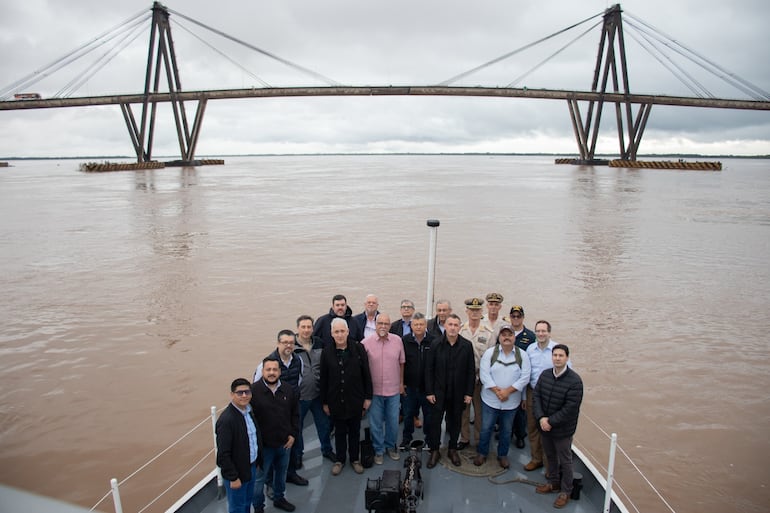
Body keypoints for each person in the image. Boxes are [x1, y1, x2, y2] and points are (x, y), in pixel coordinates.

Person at [253, 330, 308, 487]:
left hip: (290, 410)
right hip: (269, 415)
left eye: (291, 342)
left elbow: (299, 381)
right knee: (269, 453)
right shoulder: (266, 365)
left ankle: (290, 473)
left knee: (292, 442)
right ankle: (270, 484)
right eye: (285, 342)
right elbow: (256, 389)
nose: (288, 345)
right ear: (278, 344)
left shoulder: (298, 361)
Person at [320, 318, 373, 476]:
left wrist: (367, 397)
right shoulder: (327, 352)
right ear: (331, 333)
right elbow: (323, 378)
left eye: (342, 331)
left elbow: (366, 374)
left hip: (355, 399)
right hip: (336, 400)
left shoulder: (358, 348)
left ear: (348, 331)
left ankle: (355, 459)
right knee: (340, 431)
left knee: (355, 431)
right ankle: (340, 460)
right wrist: (324, 402)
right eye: (336, 331)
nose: (340, 334)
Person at [533, 344, 583, 509]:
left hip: (562, 430)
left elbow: (570, 408)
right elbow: (537, 396)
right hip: (544, 426)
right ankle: (553, 483)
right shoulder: (545, 375)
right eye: (555, 355)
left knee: (565, 460)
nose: (557, 358)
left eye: (561, 355)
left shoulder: (575, 381)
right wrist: (541, 418)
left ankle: (566, 491)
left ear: (567, 358)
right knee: (550, 456)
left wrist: (550, 421)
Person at [475, 324, 531, 469]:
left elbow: (525, 377)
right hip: (490, 400)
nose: (506, 337)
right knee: (486, 428)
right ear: (499, 337)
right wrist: (497, 391)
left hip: (511, 402)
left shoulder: (522, 355)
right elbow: (484, 374)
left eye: (510, 335)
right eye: (503, 335)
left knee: (506, 430)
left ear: (514, 337)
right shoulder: (490, 353)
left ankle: (502, 455)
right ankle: (482, 453)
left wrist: (508, 391)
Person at [424, 313, 475, 469]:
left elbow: (470, 371)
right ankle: (434, 450)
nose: (453, 328)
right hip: (439, 393)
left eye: (455, 325)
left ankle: (452, 449)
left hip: (458, 393)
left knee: (455, 423)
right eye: (450, 324)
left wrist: (468, 393)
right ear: (445, 326)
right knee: (435, 423)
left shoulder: (466, 346)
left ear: (459, 327)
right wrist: (430, 391)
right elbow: (429, 370)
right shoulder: (435, 344)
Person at [250, 357, 300, 512]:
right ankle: (258, 507)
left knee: (281, 474)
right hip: (263, 448)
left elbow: (295, 414)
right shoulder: (253, 392)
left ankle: (279, 498)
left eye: (275, 369)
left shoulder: (287, 389)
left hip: (284, 443)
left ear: (279, 371)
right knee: (259, 481)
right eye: (268, 370)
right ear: (262, 371)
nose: (272, 373)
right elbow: (249, 421)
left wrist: (292, 435)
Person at [361, 313, 405, 463]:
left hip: (393, 391)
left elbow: (401, 363)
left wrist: (400, 384)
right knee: (375, 423)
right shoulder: (365, 343)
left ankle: (391, 446)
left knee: (393, 421)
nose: (383, 326)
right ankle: (378, 449)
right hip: (374, 391)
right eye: (380, 323)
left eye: (386, 324)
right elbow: (361, 368)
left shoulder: (398, 341)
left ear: (390, 326)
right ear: (375, 325)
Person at [294, 315, 335, 468]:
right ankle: (298, 455)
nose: (306, 330)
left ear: (313, 328)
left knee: (323, 424)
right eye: (303, 327)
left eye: (309, 327)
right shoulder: (291, 347)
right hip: (300, 396)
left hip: (318, 394)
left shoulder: (319, 343)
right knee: (297, 428)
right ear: (297, 328)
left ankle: (327, 449)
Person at [215, 378, 262, 513]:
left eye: (247, 392)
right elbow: (223, 454)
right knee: (237, 508)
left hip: (251, 467)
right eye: (239, 393)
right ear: (232, 395)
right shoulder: (226, 420)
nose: (244, 396)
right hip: (237, 473)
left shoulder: (248, 412)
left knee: (247, 503)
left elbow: (253, 438)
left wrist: (258, 460)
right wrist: (233, 477)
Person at [523, 320, 562, 472]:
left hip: (551, 394)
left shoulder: (557, 350)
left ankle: (549, 465)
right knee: (533, 427)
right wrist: (523, 398)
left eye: (543, 331)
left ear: (549, 333)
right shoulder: (530, 349)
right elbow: (525, 374)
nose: (540, 334)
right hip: (533, 392)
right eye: (538, 331)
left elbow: (566, 372)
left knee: (548, 430)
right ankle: (536, 459)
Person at [459, 297, 495, 450]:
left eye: (477, 310)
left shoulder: (489, 333)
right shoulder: (460, 330)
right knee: (463, 411)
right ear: (466, 311)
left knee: (480, 412)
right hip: (463, 378)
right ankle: (465, 438)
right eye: (471, 310)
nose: (474, 313)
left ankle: (480, 439)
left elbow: (492, 358)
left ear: (482, 311)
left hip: (481, 378)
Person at [400, 312, 433, 450]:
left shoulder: (433, 340)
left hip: (427, 388)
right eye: (416, 324)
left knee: (428, 416)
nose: (418, 327)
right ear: (411, 325)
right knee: (408, 415)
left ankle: (429, 440)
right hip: (410, 387)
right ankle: (407, 439)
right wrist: (402, 383)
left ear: (425, 325)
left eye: (421, 324)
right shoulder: (404, 341)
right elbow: (400, 363)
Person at [508, 304, 537, 449]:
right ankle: (505, 431)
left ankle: (520, 435)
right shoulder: (505, 333)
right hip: (506, 377)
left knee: (520, 410)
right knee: (505, 408)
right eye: (513, 316)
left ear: (523, 317)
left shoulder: (530, 336)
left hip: (521, 379)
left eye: (518, 316)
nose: (516, 318)